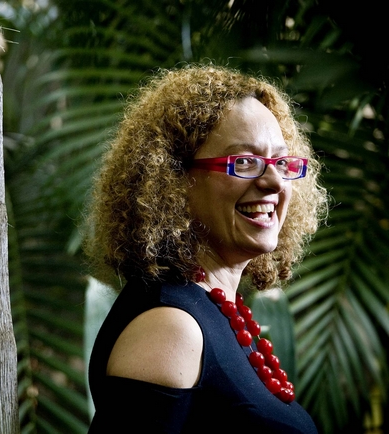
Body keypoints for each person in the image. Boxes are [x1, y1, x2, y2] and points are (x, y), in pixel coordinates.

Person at [84, 65, 328, 433]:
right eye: (244, 162)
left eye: (281, 162)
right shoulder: (171, 327)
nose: (275, 182)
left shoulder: (211, 306)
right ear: (175, 178)